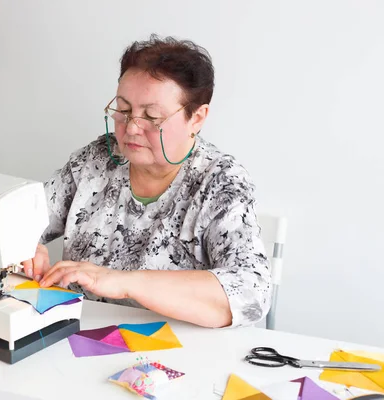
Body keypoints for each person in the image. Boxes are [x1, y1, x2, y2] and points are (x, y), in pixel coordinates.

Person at [21, 34, 272, 329]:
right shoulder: (98, 158)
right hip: (78, 337)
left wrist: (124, 282)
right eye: (124, 110)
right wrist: (24, 243)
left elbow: (251, 293)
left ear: (198, 117)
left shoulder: (219, 182)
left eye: (152, 116)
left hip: (176, 354)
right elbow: (23, 219)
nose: (131, 128)